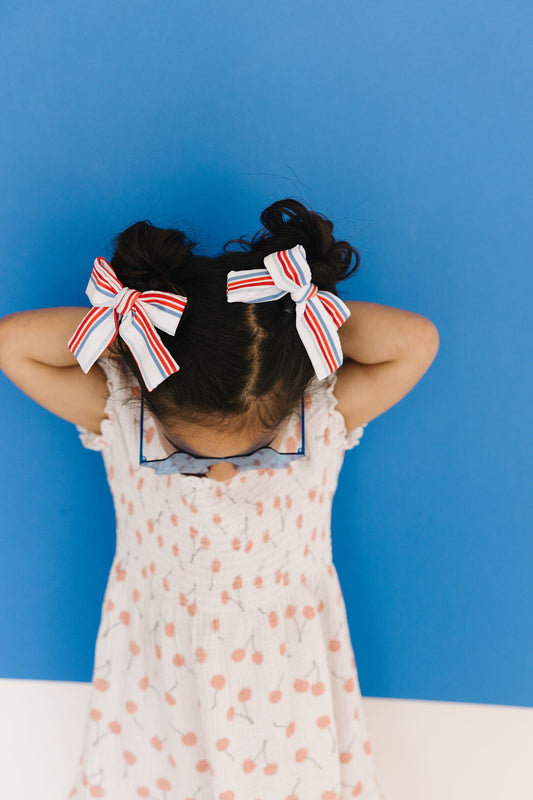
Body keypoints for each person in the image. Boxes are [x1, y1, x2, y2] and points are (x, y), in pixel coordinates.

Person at [0, 198, 439, 799]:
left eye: (256, 450)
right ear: (147, 401)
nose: (222, 473)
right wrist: (135, 326)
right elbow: (12, 342)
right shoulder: (127, 416)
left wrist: (291, 317)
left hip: (288, 686)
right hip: (159, 682)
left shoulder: (317, 413)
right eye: (187, 456)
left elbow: (416, 340)